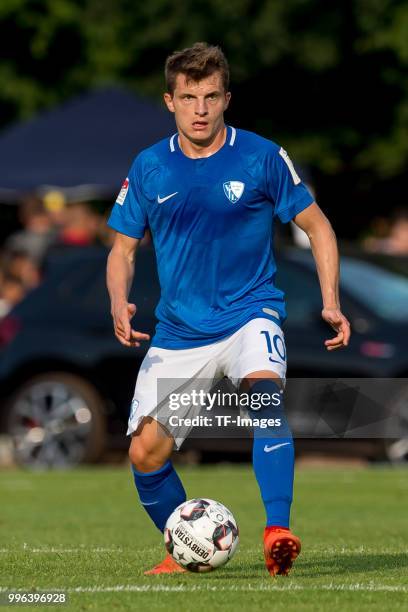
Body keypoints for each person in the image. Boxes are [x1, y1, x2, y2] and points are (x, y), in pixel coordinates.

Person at [106, 42, 351, 577]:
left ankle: (276, 529)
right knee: (146, 453)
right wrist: (118, 301)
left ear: (226, 99)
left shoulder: (261, 156)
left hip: (250, 313)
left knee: (264, 395)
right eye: (189, 97)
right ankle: (185, 546)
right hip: (179, 331)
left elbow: (318, 226)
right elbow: (122, 249)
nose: (200, 109)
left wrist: (330, 301)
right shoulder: (149, 167)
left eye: (210, 97)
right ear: (169, 100)